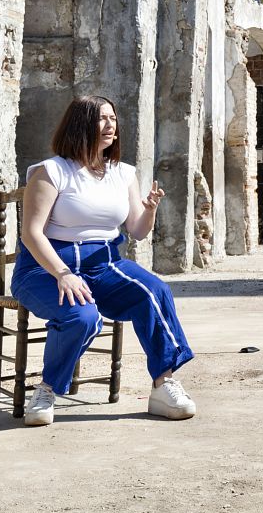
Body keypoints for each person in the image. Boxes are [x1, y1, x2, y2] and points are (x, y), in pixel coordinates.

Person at [11, 95, 197, 426]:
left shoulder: (123, 173)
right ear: (80, 124)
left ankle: (163, 385)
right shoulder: (50, 172)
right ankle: (47, 389)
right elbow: (31, 233)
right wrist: (64, 273)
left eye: (113, 118)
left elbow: (137, 231)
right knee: (81, 316)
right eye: (101, 119)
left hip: (105, 263)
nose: (111, 125)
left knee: (154, 291)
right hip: (47, 268)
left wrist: (150, 210)